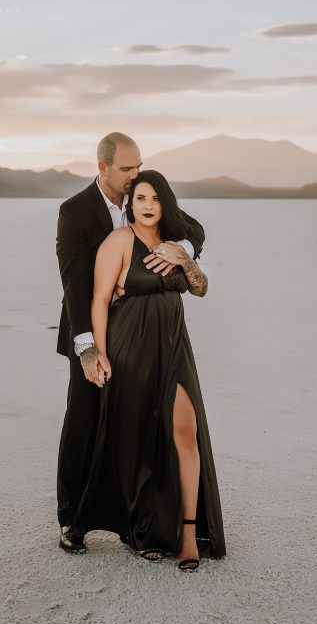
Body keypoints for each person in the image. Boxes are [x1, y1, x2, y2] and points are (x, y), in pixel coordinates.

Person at [54, 133, 205, 553]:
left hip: (149, 338)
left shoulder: (147, 198)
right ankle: (72, 520)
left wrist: (181, 249)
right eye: (126, 169)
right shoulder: (76, 212)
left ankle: (134, 520)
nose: (134, 175)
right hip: (94, 335)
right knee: (86, 423)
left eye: (138, 167)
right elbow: (76, 286)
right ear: (102, 167)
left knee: (140, 426)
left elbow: (195, 230)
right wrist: (89, 351)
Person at [73, 171, 225, 571]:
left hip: (175, 347)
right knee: (138, 439)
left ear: (165, 203)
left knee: (185, 433)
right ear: (131, 203)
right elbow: (100, 300)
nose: (147, 205)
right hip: (131, 348)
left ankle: (190, 534)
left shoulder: (175, 244)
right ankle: (145, 529)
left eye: (155, 198)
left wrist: (184, 258)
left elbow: (201, 288)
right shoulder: (119, 242)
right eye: (140, 197)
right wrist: (100, 355)